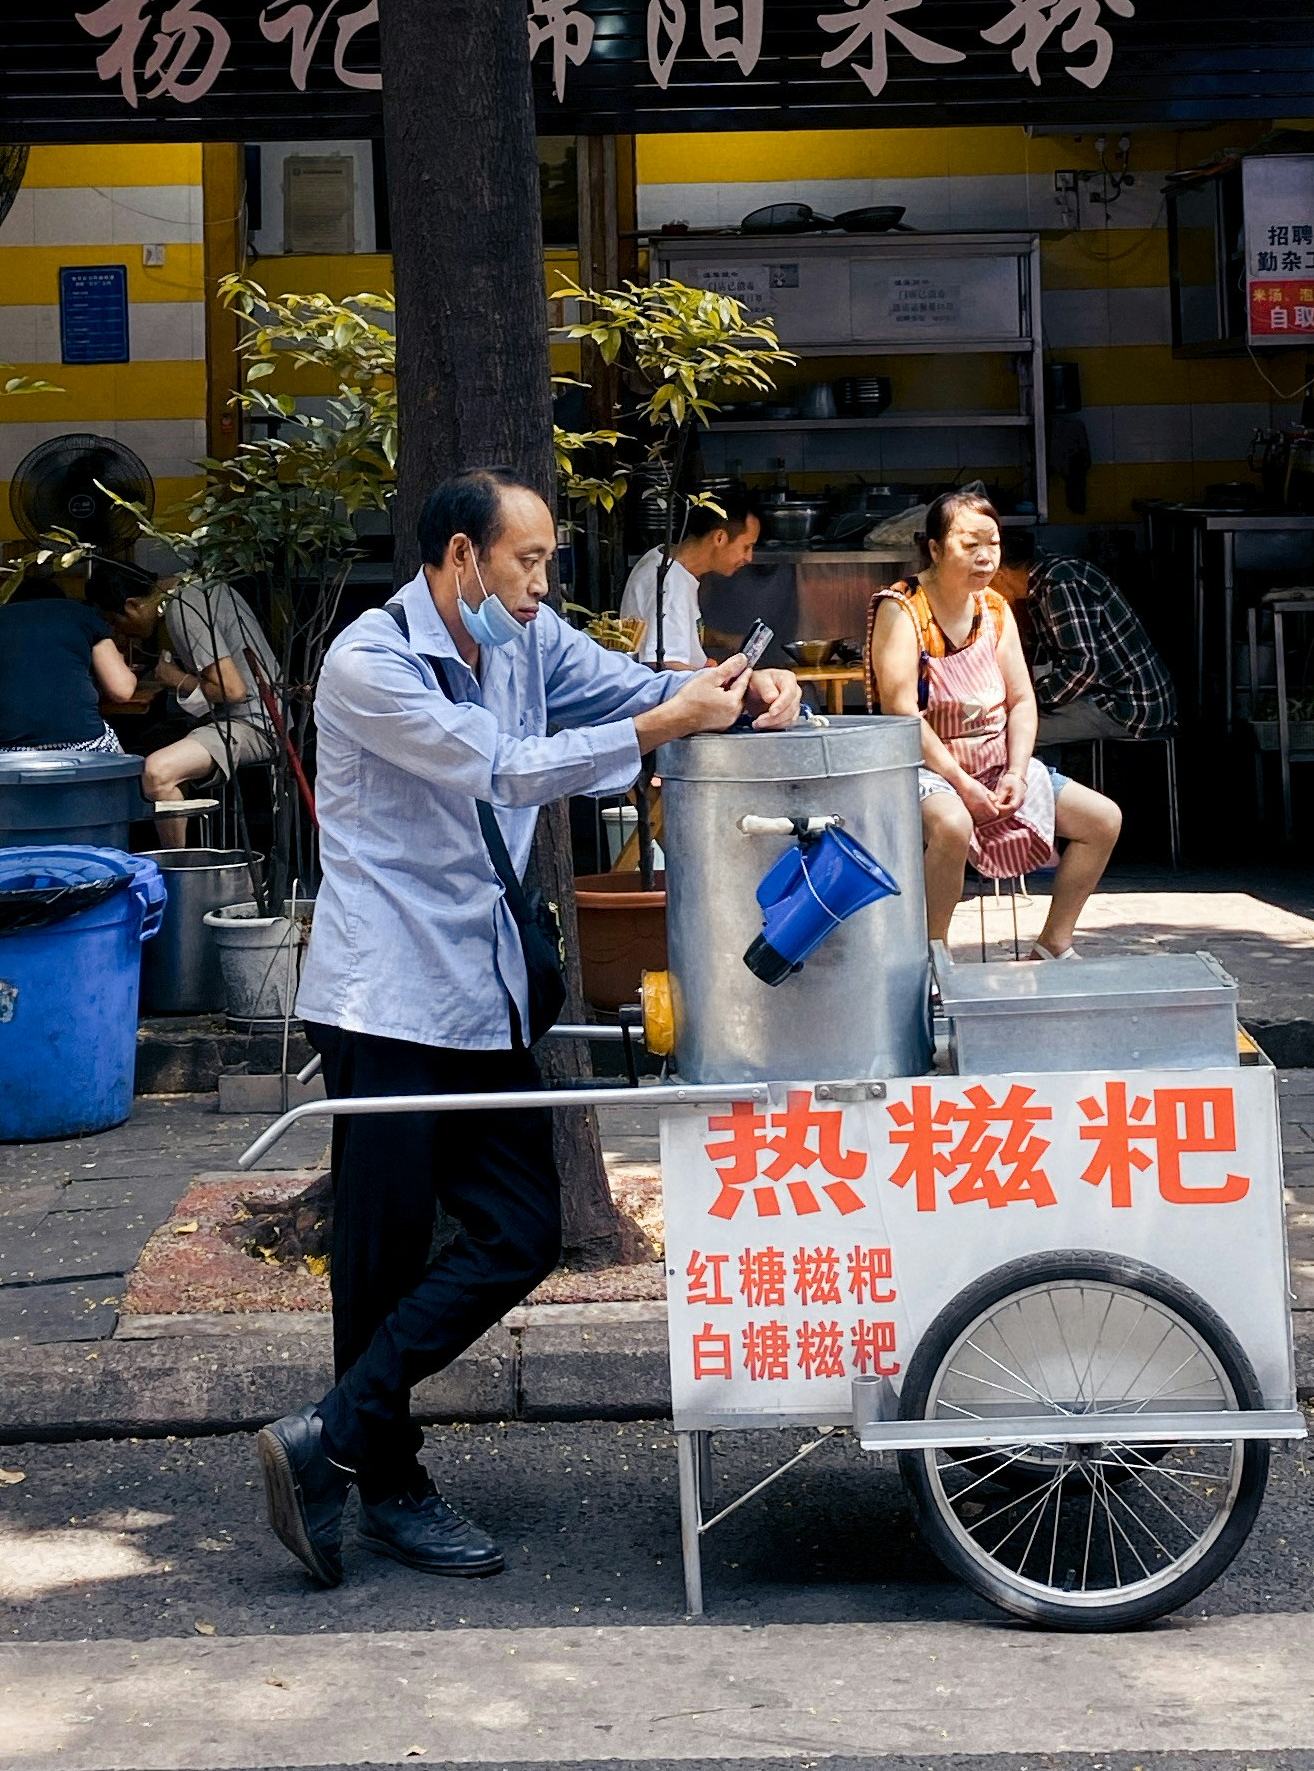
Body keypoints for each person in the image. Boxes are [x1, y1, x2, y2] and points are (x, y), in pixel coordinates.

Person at [255, 468, 802, 1589]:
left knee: (521, 1228)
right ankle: (389, 1481)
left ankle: (333, 1432)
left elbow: (635, 681)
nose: (542, 585)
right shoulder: (372, 664)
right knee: (381, 1248)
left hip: (487, 987)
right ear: (463, 557)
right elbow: (500, 766)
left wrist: (750, 687)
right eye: (529, 561)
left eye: (547, 562)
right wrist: (666, 720)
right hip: (390, 995)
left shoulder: (523, 637)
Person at [869, 483, 1121, 956]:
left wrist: (1017, 773)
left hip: (996, 766)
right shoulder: (901, 608)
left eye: (994, 544)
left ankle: (1053, 945)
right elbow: (901, 714)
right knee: (952, 825)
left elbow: (1022, 701)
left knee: (1102, 820)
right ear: (935, 548)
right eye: (970, 545)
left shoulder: (996, 608)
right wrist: (963, 784)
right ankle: (930, 959)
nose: (986, 557)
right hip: (924, 771)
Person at [109, 557, 282, 841]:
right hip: (247, 714)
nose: (118, 632)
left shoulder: (184, 607)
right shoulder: (195, 589)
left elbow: (232, 690)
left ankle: (179, 873)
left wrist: (173, 677)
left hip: (255, 723)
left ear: (132, 604)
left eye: (115, 622)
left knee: (156, 772)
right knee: (150, 742)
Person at [993, 523, 1179, 745]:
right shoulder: (1046, 575)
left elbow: (1083, 668)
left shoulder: (1059, 584)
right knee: (1020, 719)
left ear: (1002, 574)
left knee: (1009, 734)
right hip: (1119, 696)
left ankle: (1047, 779)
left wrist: (1030, 699)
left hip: (1131, 705)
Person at [0, 555, 141, 753]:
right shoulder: (83, 616)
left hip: (3, 753)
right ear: (61, 601)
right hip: (83, 746)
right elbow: (122, 690)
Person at [618, 487, 764, 667]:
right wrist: (716, 678)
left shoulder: (665, 559)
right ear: (719, 538)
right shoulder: (670, 582)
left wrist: (724, 640)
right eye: (746, 547)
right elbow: (664, 665)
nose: (749, 558)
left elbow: (676, 628)